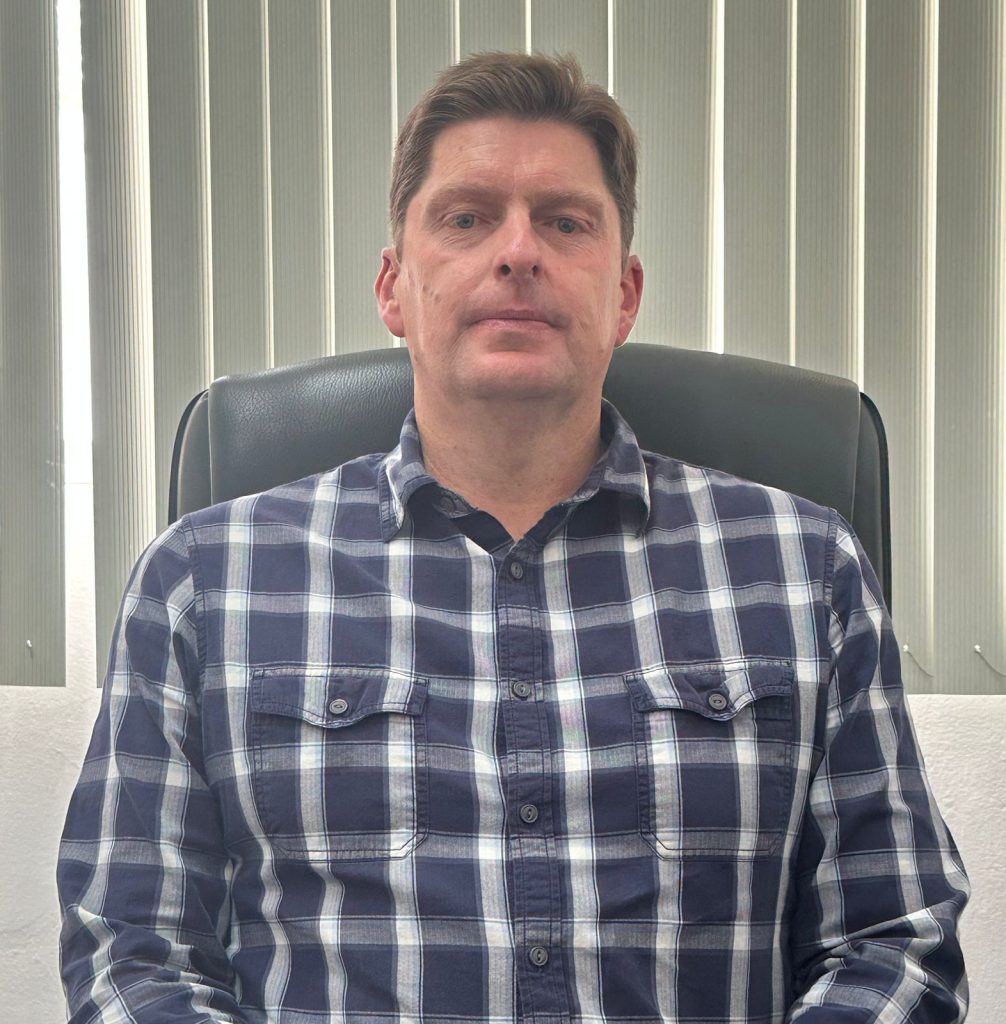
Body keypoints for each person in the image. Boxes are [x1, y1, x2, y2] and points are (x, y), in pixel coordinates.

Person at [59, 52, 969, 1023]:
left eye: (565, 221)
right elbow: (132, 954)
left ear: (624, 294)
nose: (518, 251)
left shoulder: (803, 571)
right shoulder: (205, 582)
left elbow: (895, 940)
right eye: (466, 217)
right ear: (393, 286)